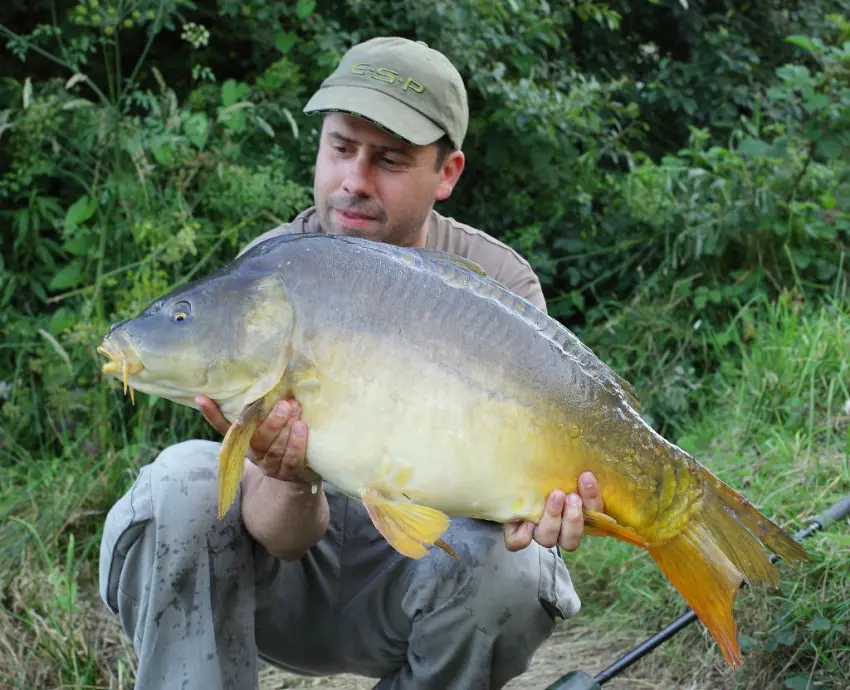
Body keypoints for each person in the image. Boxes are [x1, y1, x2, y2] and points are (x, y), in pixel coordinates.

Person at [99, 36, 606, 690]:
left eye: (389, 159)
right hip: (283, 584)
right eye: (340, 148)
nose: (354, 181)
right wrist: (292, 472)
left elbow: (504, 513)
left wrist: (545, 503)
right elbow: (278, 535)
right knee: (179, 483)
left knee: (522, 565)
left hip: (420, 578)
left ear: (447, 172)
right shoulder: (269, 279)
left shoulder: (498, 287)